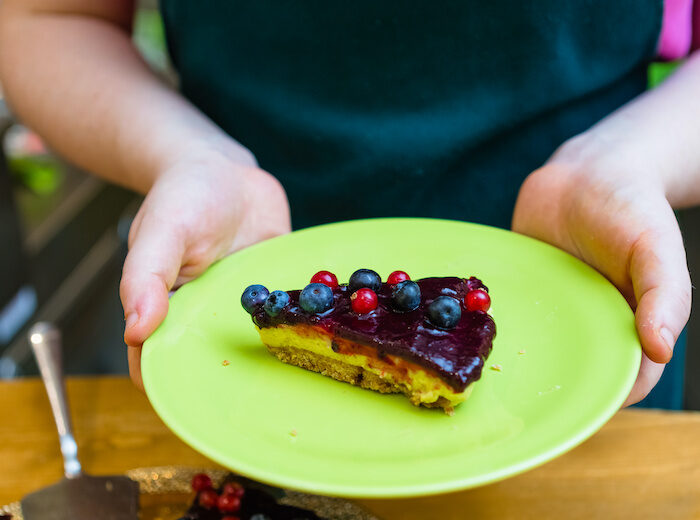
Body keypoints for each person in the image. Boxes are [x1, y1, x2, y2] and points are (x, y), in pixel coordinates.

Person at [0, 1, 696, 407]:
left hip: (585, 295)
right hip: (233, 288)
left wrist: (636, 160)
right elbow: (49, 14)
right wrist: (185, 156)